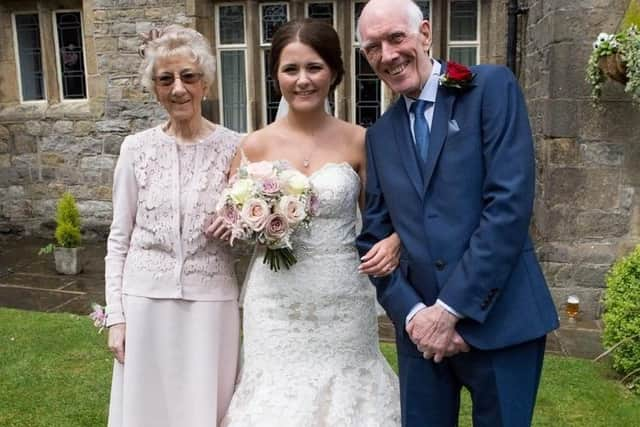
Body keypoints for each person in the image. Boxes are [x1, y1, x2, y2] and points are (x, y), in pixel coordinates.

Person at [355, 1, 559, 426]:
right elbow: (374, 238)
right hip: (420, 340)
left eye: (397, 38)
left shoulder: (490, 88)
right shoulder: (380, 137)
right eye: (373, 47)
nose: (387, 55)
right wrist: (414, 316)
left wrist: (449, 311)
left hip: (501, 322)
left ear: (425, 34)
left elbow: (507, 206)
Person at [212, 19, 402, 426]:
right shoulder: (254, 145)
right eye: (290, 69)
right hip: (275, 303)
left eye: (314, 67)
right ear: (275, 75)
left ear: (334, 71)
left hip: (342, 300)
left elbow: (382, 218)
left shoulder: (360, 141)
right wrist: (245, 220)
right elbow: (233, 217)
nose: (303, 80)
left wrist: (396, 240)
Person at [104, 25, 242, 427]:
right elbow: (119, 238)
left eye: (188, 77)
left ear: (205, 83)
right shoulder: (136, 149)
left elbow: (250, 232)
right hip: (145, 302)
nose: (178, 89)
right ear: (154, 88)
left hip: (211, 303)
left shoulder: (237, 147)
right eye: (166, 79)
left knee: (204, 407)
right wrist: (117, 317)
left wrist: (236, 223)